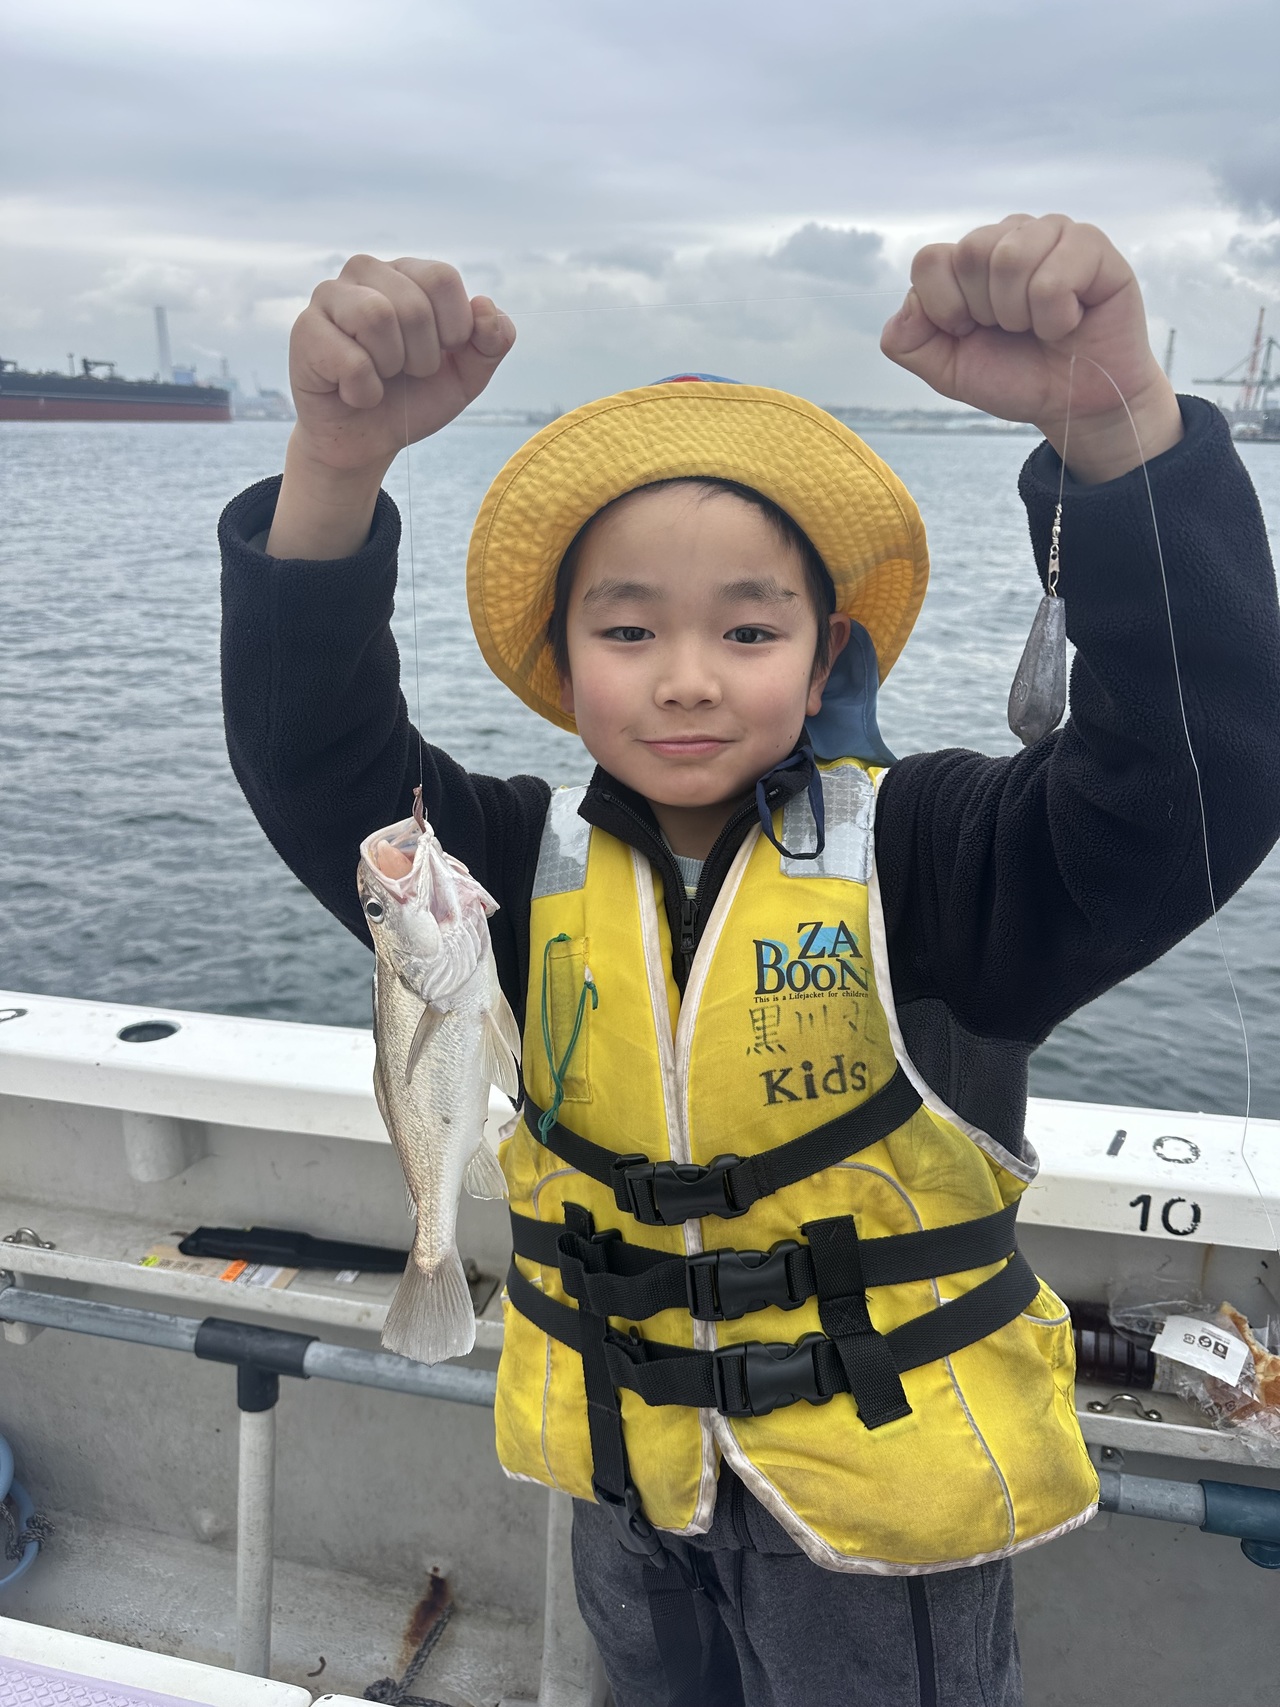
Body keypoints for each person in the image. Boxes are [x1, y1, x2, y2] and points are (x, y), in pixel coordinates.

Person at [219, 215, 1280, 1707]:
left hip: (882, 1533)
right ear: (562, 655)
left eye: (748, 630)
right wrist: (334, 468)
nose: (687, 678)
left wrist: (1117, 431)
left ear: (825, 651)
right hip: (627, 1494)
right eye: (628, 629)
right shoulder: (496, 875)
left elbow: (1189, 783)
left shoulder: (939, 861)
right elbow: (311, 758)